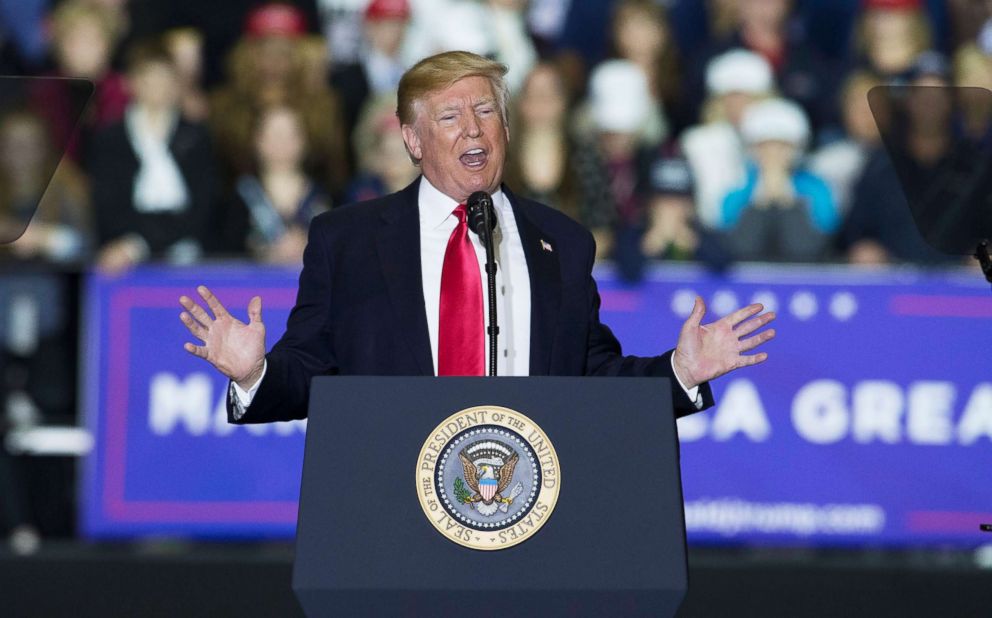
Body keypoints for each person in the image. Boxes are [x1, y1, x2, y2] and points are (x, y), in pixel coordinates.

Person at [177, 51, 776, 425]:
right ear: (412, 141)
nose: (474, 128)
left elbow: (590, 378)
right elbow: (311, 369)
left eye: (487, 112)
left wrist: (679, 373)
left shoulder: (561, 243)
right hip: (394, 505)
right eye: (449, 116)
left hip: (531, 510)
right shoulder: (348, 240)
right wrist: (254, 374)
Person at [719, 97, 839, 263]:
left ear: (797, 149)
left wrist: (787, 203)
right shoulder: (735, 194)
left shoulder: (817, 191)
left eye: (782, 146)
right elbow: (739, 250)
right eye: (765, 146)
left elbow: (809, 250)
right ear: (752, 150)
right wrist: (759, 203)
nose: (773, 154)